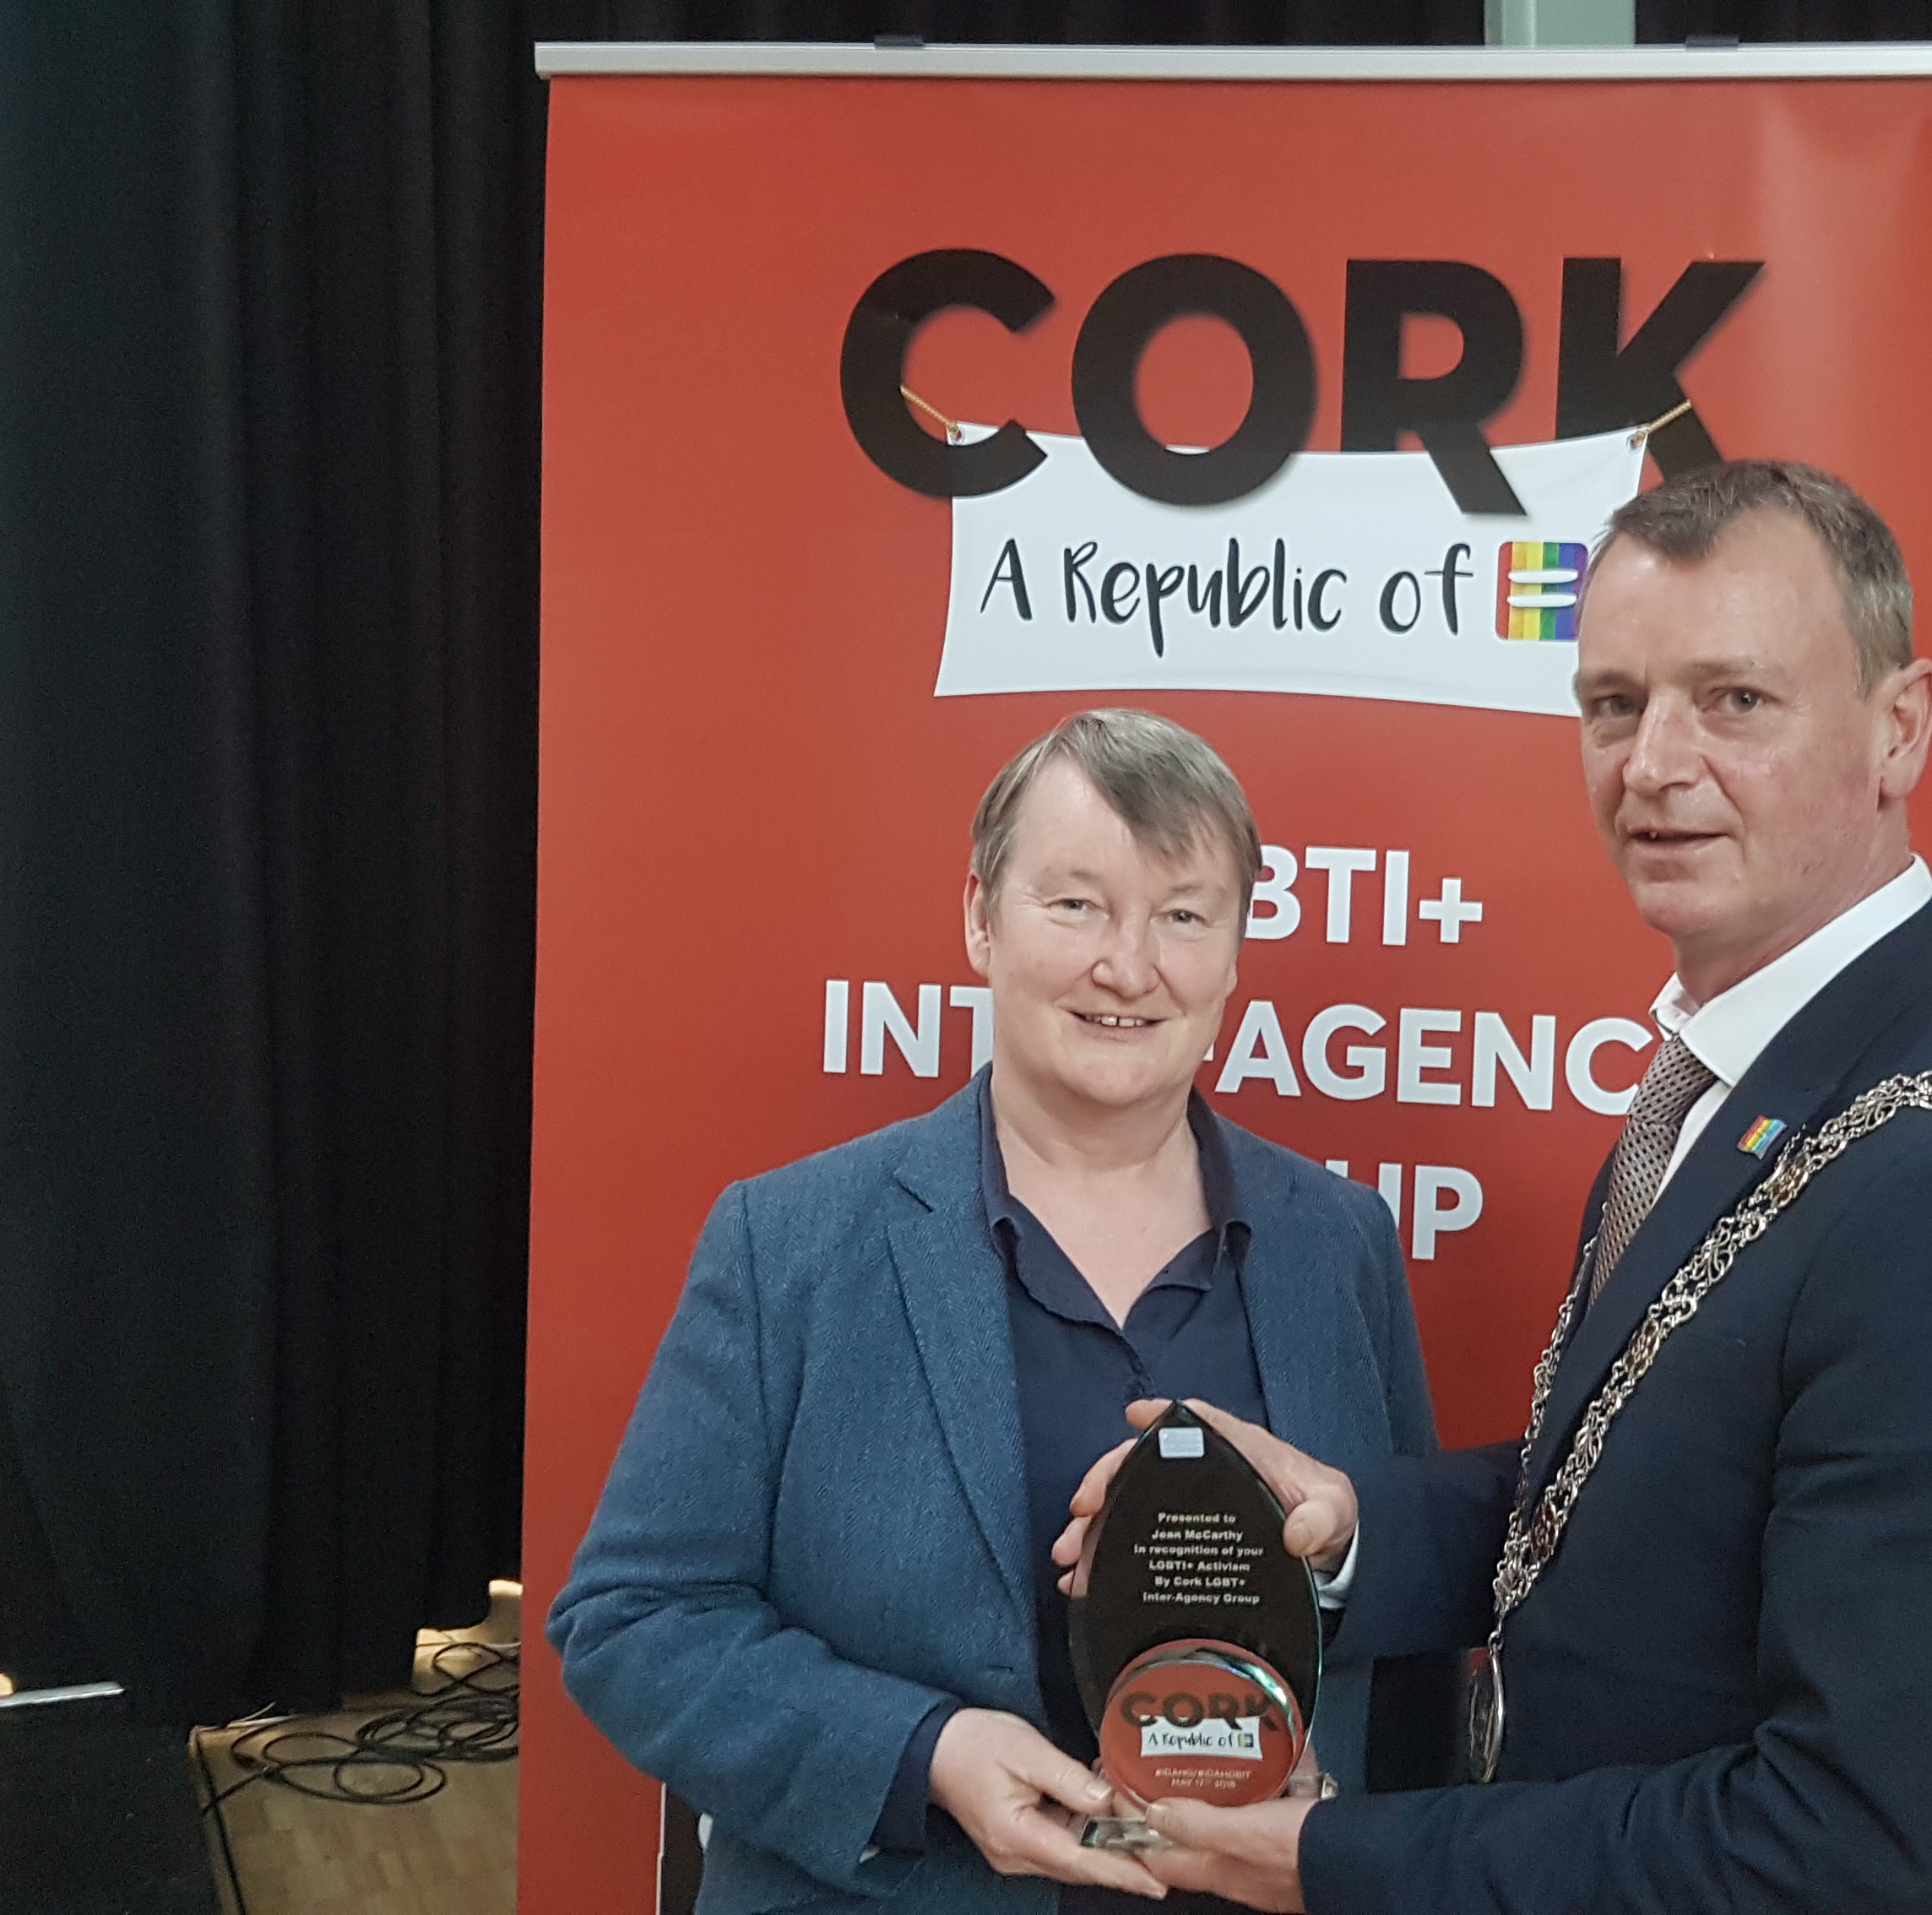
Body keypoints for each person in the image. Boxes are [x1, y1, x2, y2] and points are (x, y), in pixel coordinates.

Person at [1059, 463, 1932, 1913]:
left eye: (1735, 700)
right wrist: (1341, 1528)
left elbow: (1855, 1852)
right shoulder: (1736, 1081)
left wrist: (1336, 1863)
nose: (1653, 763)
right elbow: (1636, 1505)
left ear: (1899, 727)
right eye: (1614, 702)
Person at [550, 709, 1446, 1914]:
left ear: (1236, 950)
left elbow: (1405, 1609)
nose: (1128, 965)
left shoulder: (1339, 1243)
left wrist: (1349, 1827)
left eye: (1184, 916)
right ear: (981, 917)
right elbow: (633, 1621)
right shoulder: (791, 1242)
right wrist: (923, 1755)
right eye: (1076, 905)